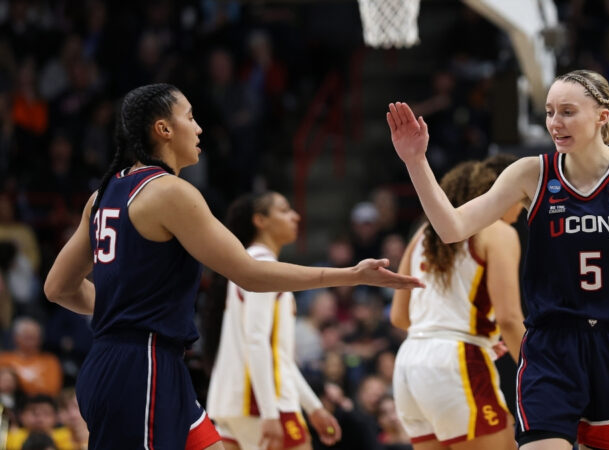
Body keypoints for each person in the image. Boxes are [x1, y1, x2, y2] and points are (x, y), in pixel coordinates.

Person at [43, 83, 421, 450]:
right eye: (190, 117)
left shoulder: (102, 194)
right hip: (141, 369)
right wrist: (352, 275)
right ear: (163, 129)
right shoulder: (169, 192)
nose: (199, 127)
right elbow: (249, 273)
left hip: (136, 363)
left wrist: (119, 309)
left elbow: (58, 287)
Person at [387, 69, 609, 450]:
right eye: (549, 112)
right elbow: (453, 227)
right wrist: (415, 162)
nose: (554, 123)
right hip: (551, 348)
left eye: (567, 112)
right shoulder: (532, 173)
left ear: (602, 117)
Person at [390, 161, 525, 450]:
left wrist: (470, 333)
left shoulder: (422, 234)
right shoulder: (497, 231)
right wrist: (539, 371)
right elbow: (509, 318)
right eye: (518, 196)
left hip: (409, 365)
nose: (522, 206)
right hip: (456, 362)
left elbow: (400, 317)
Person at [205, 192, 342, 450]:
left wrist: (314, 408)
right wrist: (269, 413)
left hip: (231, 402)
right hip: (257, 402)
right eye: (284, 210)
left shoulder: (245, 264)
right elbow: (257, 342)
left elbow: (278, 357)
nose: (295, 216)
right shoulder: (262, 267)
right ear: (260, 220)